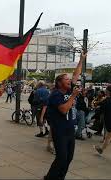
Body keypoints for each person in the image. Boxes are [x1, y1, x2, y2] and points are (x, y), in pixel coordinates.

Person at [44, 52, 86, 180]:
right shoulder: (55, 95)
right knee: (61, 158)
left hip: (70, 131)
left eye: (69, 79)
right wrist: (73, 96)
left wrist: (81, 60)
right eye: (66, 79)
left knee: (68, 158)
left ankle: (60, 177)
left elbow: (76, 74)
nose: (70, 80)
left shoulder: (68, 89)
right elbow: (63, 110)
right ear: (59, 83)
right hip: (60, 131)